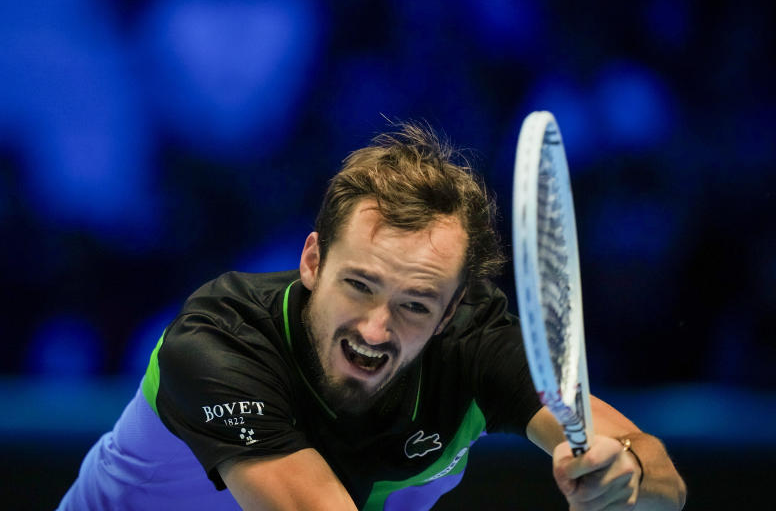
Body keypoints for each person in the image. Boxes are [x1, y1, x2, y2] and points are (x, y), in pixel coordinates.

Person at [57, 122, 687, 511]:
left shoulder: (476, 344)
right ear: (312, 262)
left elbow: (665, 482)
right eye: (359, 285)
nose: (375, 329)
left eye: (415, 305)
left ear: (450, 313)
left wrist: (622, 473)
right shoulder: (216, 343)